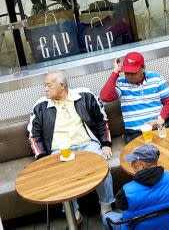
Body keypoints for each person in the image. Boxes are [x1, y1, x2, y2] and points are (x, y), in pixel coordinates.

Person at [28, 71, 114, 220]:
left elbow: (102, 120)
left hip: (86, 145)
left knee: (102, 167)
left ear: (61, 85)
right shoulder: (40, 106)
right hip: (58, 150)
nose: (45, 89)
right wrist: (42, 157)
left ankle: (106, 206)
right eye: (45, 86)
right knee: (61, 176)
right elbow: (33, 135)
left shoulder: (85, 96)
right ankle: (73, 213)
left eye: (49, 85)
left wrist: (105, 144)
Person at [99, 51, 169, 141]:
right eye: (126, 72)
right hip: (136, 133)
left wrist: (159, 121)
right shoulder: (121, 83)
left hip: (161, 125)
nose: (129, 76)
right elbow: (105, 97)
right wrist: (115, 73)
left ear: (143, 68)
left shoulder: (156, 78)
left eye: (133, 72)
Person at [102, 144, 169, 230]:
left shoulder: (125, 192)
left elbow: (121, 206)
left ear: (142, 166)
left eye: (133, 162)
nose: (131, 165)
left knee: (106, 217)